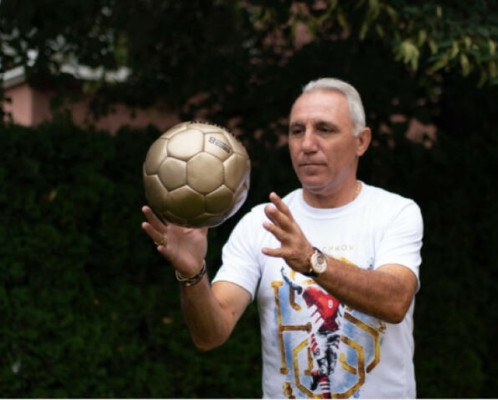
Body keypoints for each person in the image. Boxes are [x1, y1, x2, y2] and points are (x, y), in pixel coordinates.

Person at [141, 77, 423, 398]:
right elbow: (210, 335)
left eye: (325, 129)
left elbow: (395, 301)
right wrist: (193, 274)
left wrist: (312, 262)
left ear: (361, 141)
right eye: (297, 131)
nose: (307, 144)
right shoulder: (260, 224)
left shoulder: (394, 213)